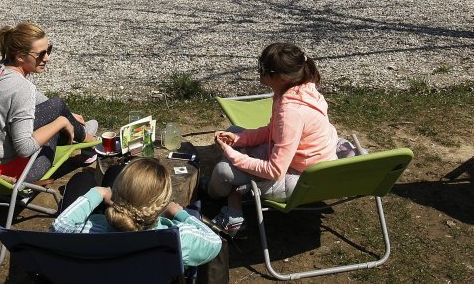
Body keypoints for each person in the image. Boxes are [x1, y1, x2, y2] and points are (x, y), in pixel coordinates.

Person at [205, 42, 339, 238]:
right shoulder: (300, 90)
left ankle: (214, 198)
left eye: (263, 69)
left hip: (304, 181)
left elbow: (274, 171)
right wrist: (240, 139)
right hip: (309, 165)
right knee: (234, 132)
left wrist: (231, 154)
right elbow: (273, 131)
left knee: (224, 171)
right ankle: (231, 207)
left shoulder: (291, 112)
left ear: (281, 77)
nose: (259, 72)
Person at [0, 22, 98, 182]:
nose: (47, 58)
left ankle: (84, 135)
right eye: (41, 54)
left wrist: (66, 114)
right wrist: (61, 122)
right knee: (54, 129)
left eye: (49, 50)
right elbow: (24, 148)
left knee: (57, 106)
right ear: (20, 56)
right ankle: (92, 142)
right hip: (8, 172)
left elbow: (36, 98)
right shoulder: (22, 87)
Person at [51, 158, 222, 268]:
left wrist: (98, 192)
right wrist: (180, 214)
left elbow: (58, 227)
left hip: (99, 270)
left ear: (115, 195)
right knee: (114, 171)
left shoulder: (89, 231)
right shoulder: (178, 239)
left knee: (84, 179)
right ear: (162, 205)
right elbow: (215, 241)